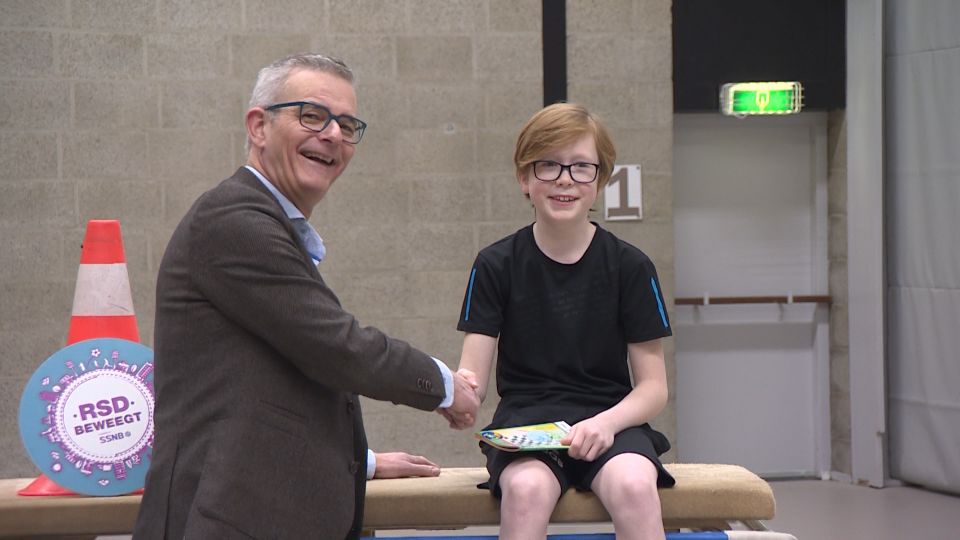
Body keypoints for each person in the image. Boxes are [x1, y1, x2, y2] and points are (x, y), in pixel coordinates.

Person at [133, 53, 479, 540]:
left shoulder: (258, 221)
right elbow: (335, 346)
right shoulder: (233, 221)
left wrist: (360, 462)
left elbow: (265, 388)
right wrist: (444, 385)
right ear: (258, 127)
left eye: (347, 124)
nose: (333, 134)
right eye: (312, 115)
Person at [455, 103, 675, 540]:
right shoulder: (495, 264)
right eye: (548, 165)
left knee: (634, 486)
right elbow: (471, 378)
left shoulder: (631, 266)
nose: (564, 179)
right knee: (527, 490)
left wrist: (607, 423)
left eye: (581, 167)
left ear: (600, 180)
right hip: (526, 425)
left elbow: (653, 388)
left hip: (611, 420)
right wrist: (454, 393)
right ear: (525, 178)